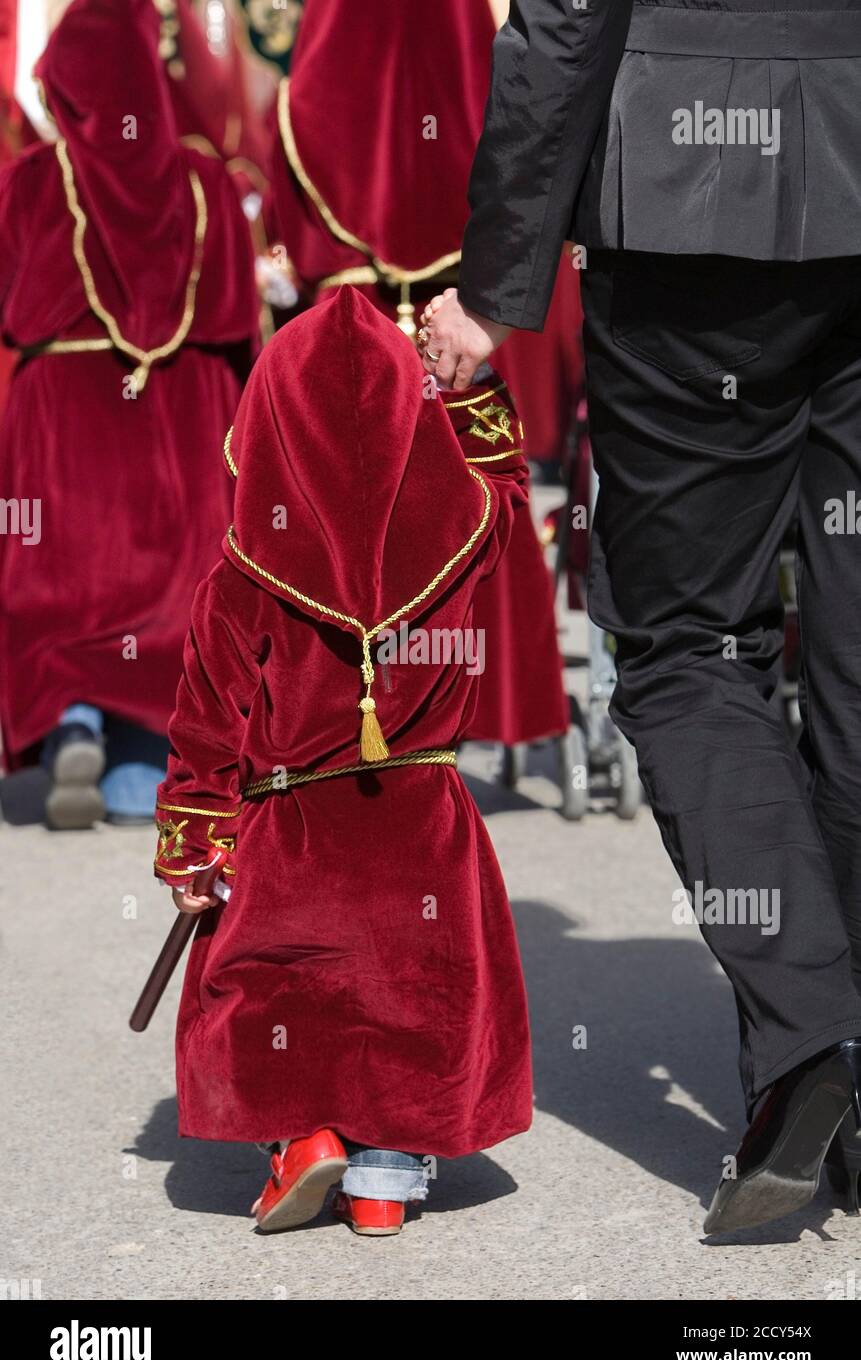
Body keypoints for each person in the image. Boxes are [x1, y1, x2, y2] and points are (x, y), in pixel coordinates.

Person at [423, 0, 861, 1234]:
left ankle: (813, 1041)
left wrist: (493, 286)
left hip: (693, 211)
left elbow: (564, 19)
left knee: (686, 646)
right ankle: (832, 1052)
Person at [152, 287, 533, 1237]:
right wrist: (471, 380)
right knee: (413, 994)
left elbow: (207, 723)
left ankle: (303, 1139)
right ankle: (386, 1179)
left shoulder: (244, 571)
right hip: (424, 826)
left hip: (291, 826)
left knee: (280, 991)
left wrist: (194, 847)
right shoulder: (469, 527)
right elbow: (507, 477)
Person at [267, 0, 572, 781]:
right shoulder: (463, 15)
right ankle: (493, 708)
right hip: (457, 304)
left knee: (338, 510)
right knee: (469, 492)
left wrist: (303, 254)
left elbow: (306, 120)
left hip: (350, 310)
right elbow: (507, 118)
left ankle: (334, 723)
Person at [0, 0, 258, 827]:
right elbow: (232, 315)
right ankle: (139, 772)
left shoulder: (33, 182)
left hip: (66, 421)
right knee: (170, 604)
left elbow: (11, 310)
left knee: (62, 589)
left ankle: (73, 717)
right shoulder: (208, 184)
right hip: (181, 416)